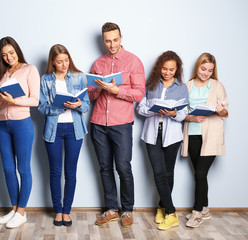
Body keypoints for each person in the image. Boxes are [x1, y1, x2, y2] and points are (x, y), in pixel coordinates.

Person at [89, 22, 145, 227]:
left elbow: (139, 93)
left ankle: (127, 210)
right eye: (107, 41)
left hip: (121, 123)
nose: (111, 44)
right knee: (105, 168)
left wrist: (116, 90)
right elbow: (90, 94)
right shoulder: (98, 63)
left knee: (123, 167)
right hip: (98, 123)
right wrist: (99, 88)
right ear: (103, 41)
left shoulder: (133, 62)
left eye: (115, 40)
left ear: (121, 38)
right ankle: (111, 209)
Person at [38, 44, 90, 227]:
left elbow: (86, 105)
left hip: (74, 129)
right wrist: (58, 107)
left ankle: (67, 211)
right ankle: (57, 211)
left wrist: (78, 105)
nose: (64, 64)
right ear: (52, 62)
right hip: (54, 130)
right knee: (55, 172)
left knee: (70, 172)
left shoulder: (79, 76)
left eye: (66, 60)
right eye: (59, 61)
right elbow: (41, 107)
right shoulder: (44, 80)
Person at [137, 51, 189, 230]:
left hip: (172, 136)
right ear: (160, 67)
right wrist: (153, 110)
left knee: (168, 173)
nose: (167, 72)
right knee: (159, 173)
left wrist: (174, 113)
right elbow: (140, 108)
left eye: (171, 70)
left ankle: (162, 207)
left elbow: (183, 114)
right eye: (164, 69)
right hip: (152, 134)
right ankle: (171, 212)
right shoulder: (150, 84)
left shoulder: (181, 87)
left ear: (177, 70)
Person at [0, 37, 40, 228]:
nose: (8, 57)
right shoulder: (2, 73)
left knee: (23, 169)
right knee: (8, 169)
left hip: (22, 123)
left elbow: (35, 100)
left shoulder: (29, 69)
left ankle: (22, 212)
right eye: (4, 55)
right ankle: (13, 209)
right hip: (2, 124)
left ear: (17, 51)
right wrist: (1, 99)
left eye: (11, 53)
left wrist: (13, 101)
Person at [182, 53, 228, 228]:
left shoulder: (217, 86)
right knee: (200, 176)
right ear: (197, 67)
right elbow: (181, 113)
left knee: (200, 174)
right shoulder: (187, 86)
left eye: (210, 70)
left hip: (212, 135)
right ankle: (205, 209)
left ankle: (197, 213)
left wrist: (219, 110)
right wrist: (192, 118)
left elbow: (225, 113)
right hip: (193, 134)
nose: (206, 73)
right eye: (203, 69)